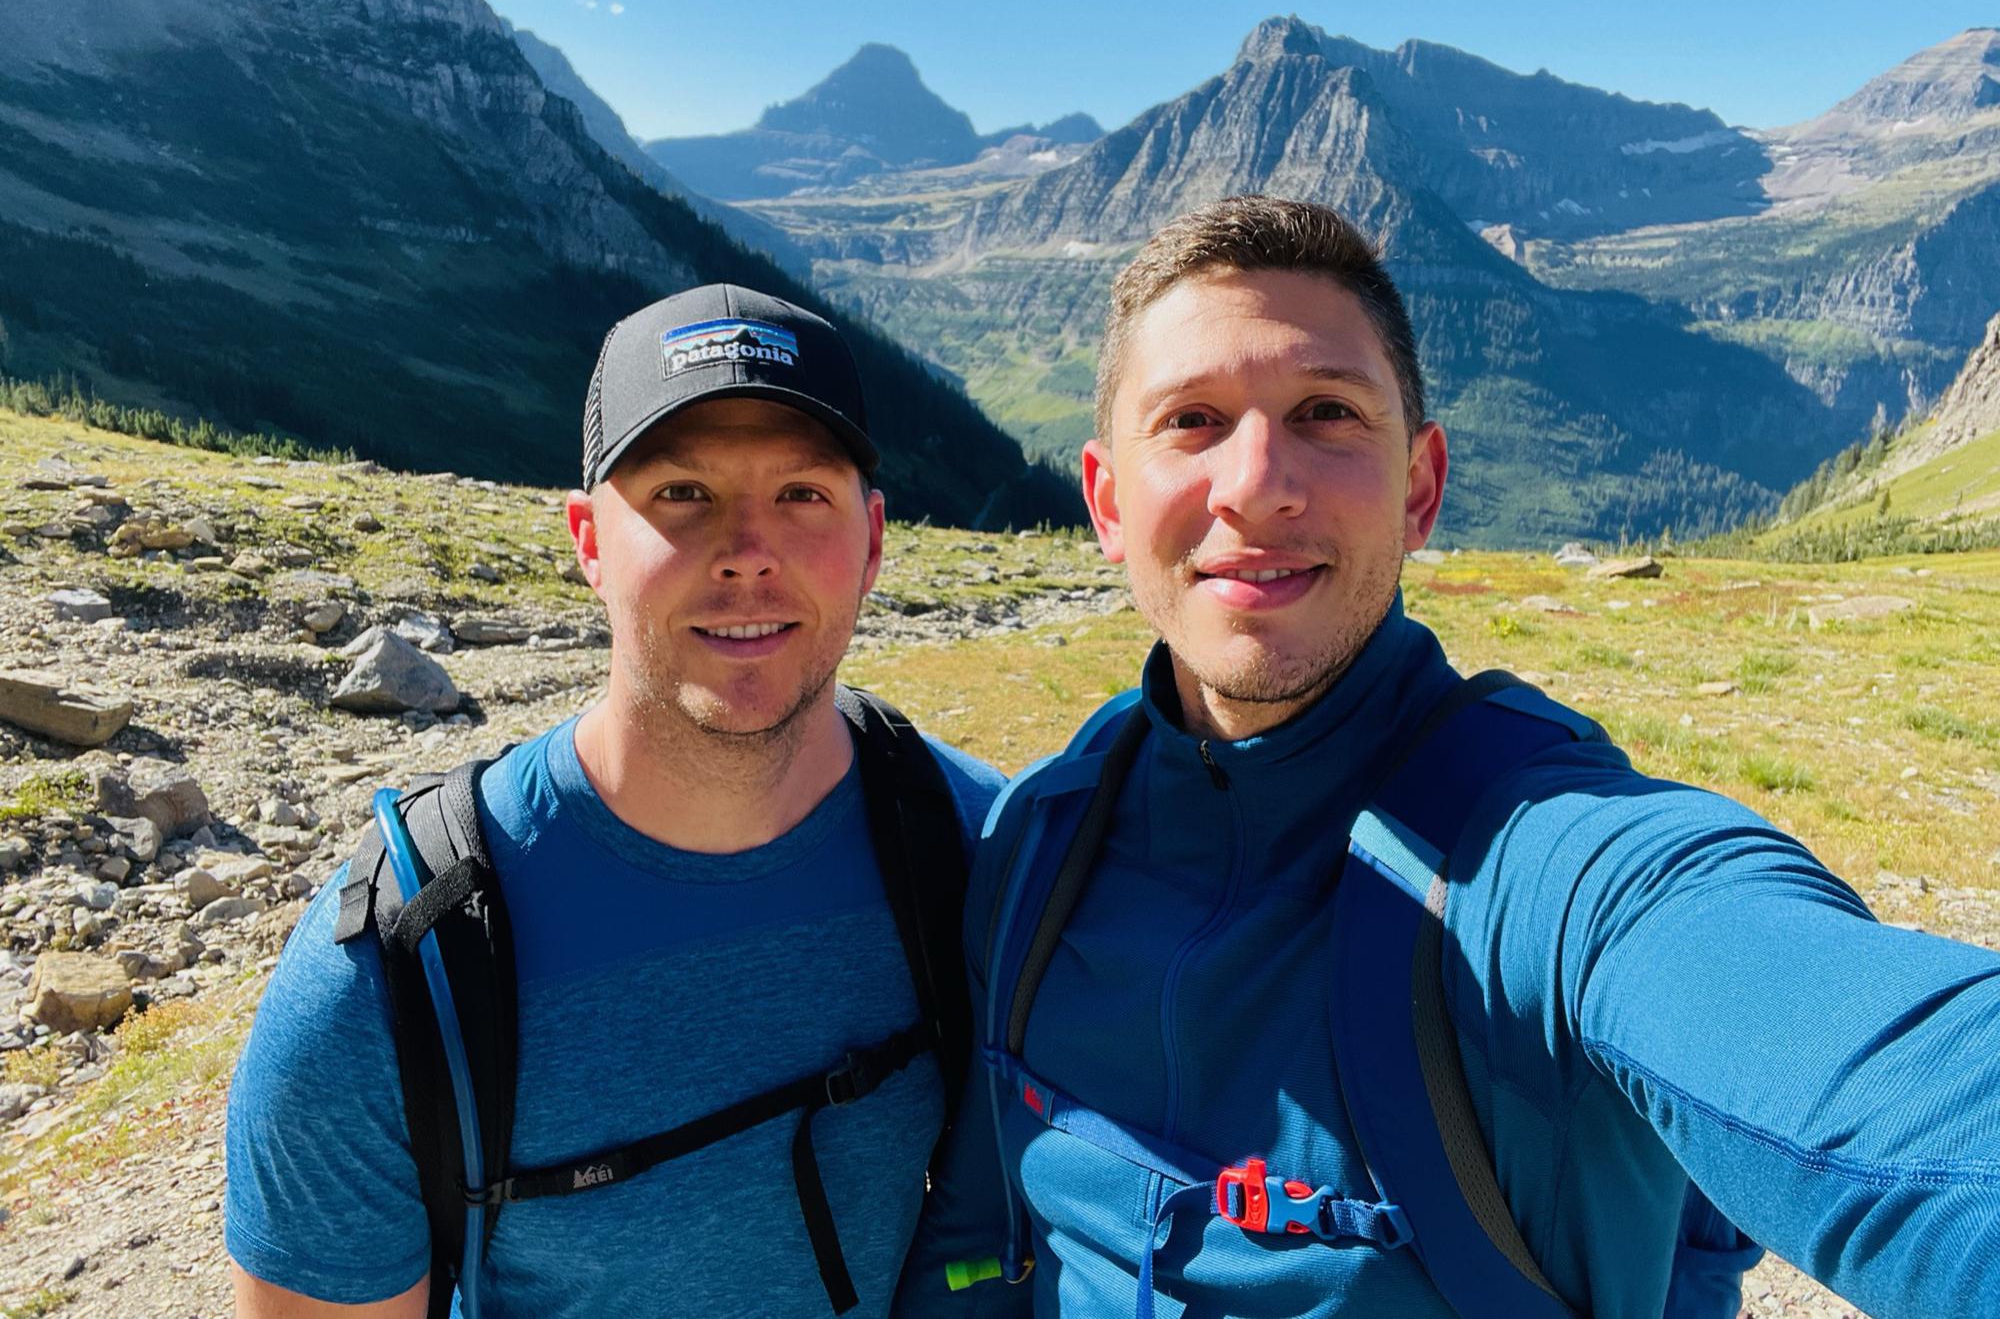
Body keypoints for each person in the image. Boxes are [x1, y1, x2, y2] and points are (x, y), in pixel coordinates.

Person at [905, 196, 2000, 1319]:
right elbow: (980, 1235)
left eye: (1325, 412)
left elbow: (1871, 1071)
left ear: (1419, 488)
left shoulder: (1544, 865)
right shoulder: (1039, 841)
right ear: (1104, 502)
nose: (1255, 483)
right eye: (1190, 421)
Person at [226, 285, 1007, 1318]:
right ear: (589, 541)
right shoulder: (393, 975)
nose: (746, 549)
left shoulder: (988, 850)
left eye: (801, 495)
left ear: (870, 542)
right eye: (682, 492)